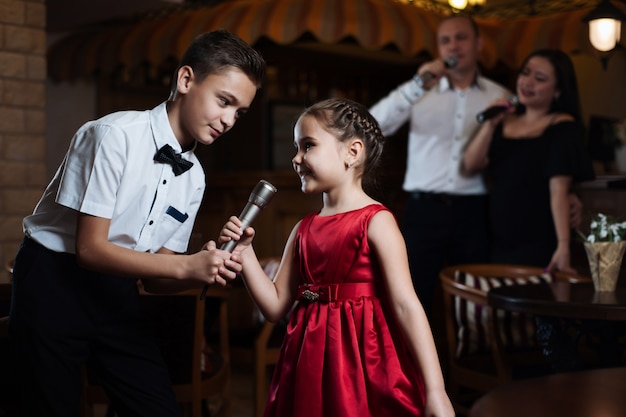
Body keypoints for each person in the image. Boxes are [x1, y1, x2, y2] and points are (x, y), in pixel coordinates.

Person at [8, 30, 265, 417]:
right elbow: (90, 249)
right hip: (52, 281)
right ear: (185, 80)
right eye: (224, 101)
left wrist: (206, 266)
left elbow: (157, 278)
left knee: (158, 407)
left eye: (239, 112)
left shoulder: (194, 176)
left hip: (118, 294)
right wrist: (186, 264)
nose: (229, 120)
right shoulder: (113, 135)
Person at [220, 98, 455, 417]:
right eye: (296, 148)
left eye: (308, 145)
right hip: (307, 363)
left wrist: (436, 390)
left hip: (362, 364)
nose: (297, 158)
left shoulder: (376, 220)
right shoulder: (303, 229)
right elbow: (275, 307)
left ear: (352, 152)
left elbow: (405, 305)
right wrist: (245, 255)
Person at [368, 15, 511, 315]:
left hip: (475, 211)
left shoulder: (500, 96)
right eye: (445, 40)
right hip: (424, 210)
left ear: (478, 44)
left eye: (461, 38)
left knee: (474, 300)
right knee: (413, 295)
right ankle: (412, 362)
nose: (453, 46)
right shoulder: (419, 92)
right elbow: (372, 124)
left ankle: (470, 361)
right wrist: (416, 86)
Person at [462, 49, 595, 272]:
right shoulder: (504, 122)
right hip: (496, 239)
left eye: (540, 78)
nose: (528, 82)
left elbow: (559, 190)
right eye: (525, 73)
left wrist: (563, 247)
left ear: (558, 90)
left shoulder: (563, 126)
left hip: (540, 237)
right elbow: (471, 164)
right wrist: (490, 124)